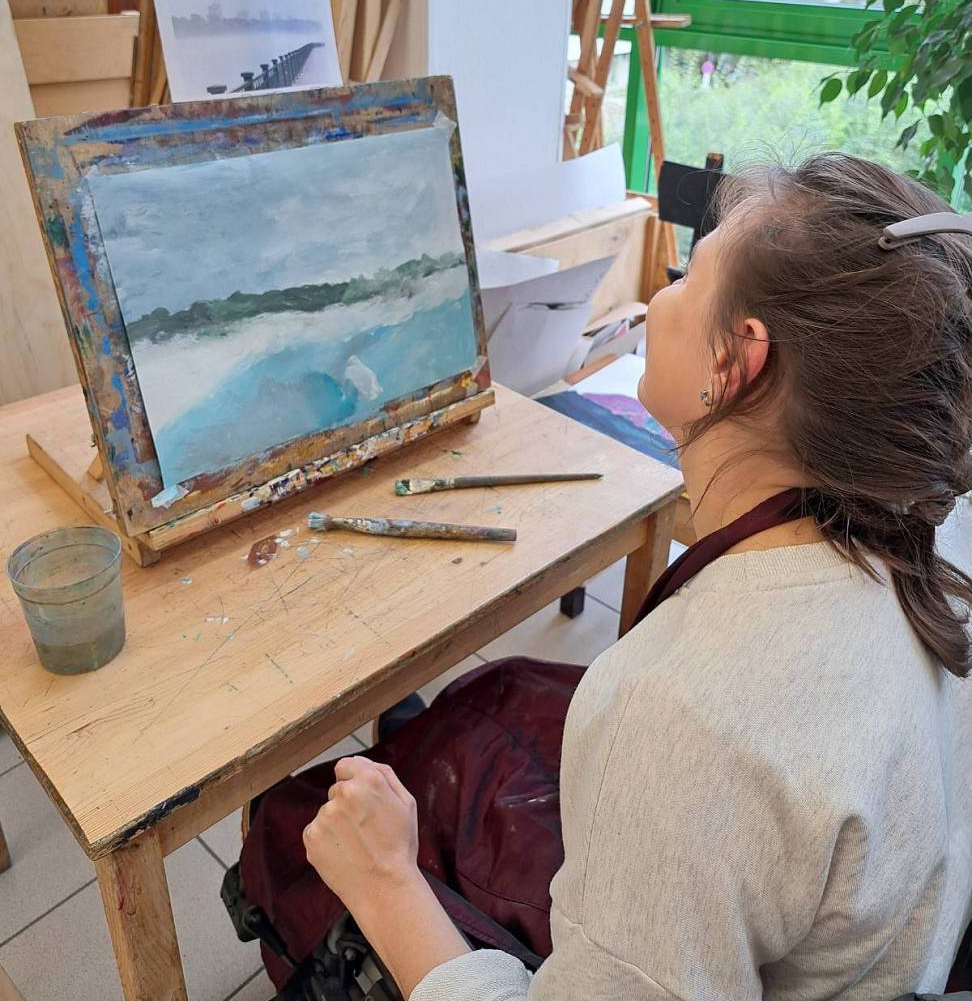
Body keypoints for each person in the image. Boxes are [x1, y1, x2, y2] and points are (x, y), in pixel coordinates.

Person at [302, 154, 972, 1000]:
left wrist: (386, 883)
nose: (660, 297)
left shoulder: (684, 719)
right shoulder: (940, 528)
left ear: (735, 361)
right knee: (502, 685)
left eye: (688, 277)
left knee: (299, 831)